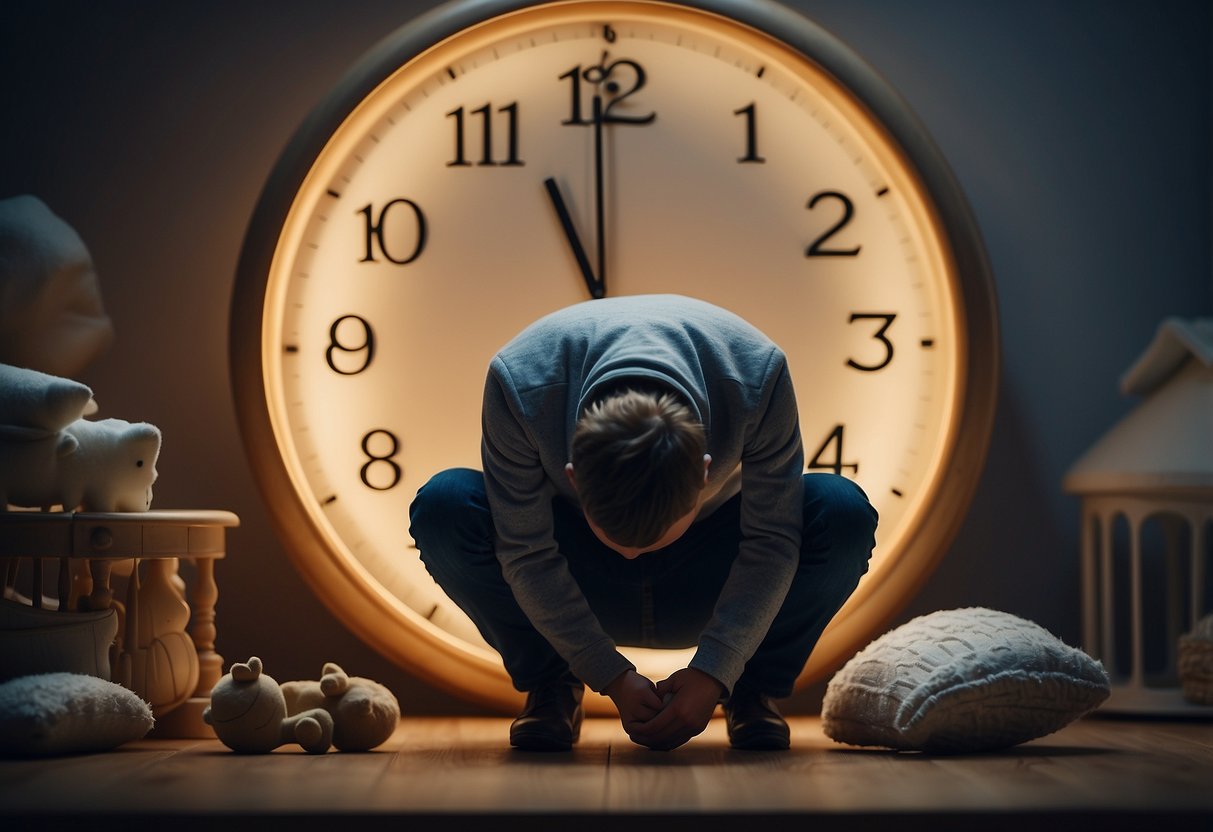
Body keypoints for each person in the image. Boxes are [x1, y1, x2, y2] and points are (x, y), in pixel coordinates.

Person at [409, 294, 876, 751]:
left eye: (652, 536)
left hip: (709, 580)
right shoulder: (520, 383)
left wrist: (717, 671)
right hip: (575, 582)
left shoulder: (756, 375)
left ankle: (750, 688)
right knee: (446, 504)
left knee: (840, 510)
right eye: (615, 535)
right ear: (573, 475)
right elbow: (526, 550)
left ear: (704, 474)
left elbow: (772, 540)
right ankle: (552, 684)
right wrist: (608, 674)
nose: (632, 554)